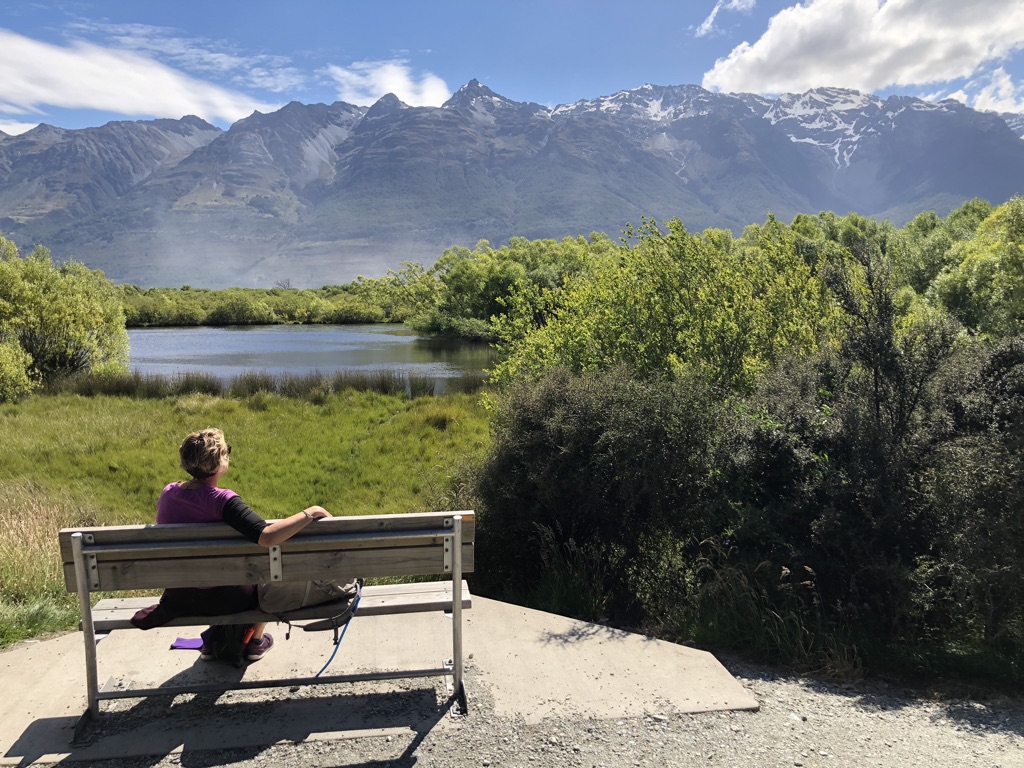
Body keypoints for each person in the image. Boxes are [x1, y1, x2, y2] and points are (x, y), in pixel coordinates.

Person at [136, 427, 333, 662]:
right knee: (266, 578)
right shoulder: (222, 501)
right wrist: (311, 512)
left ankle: (215, 641)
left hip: (180, 597)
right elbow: (266, 536)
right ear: (219, 461)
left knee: (220, 574)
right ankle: (256, 642)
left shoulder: (168, 493)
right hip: (225, 601)